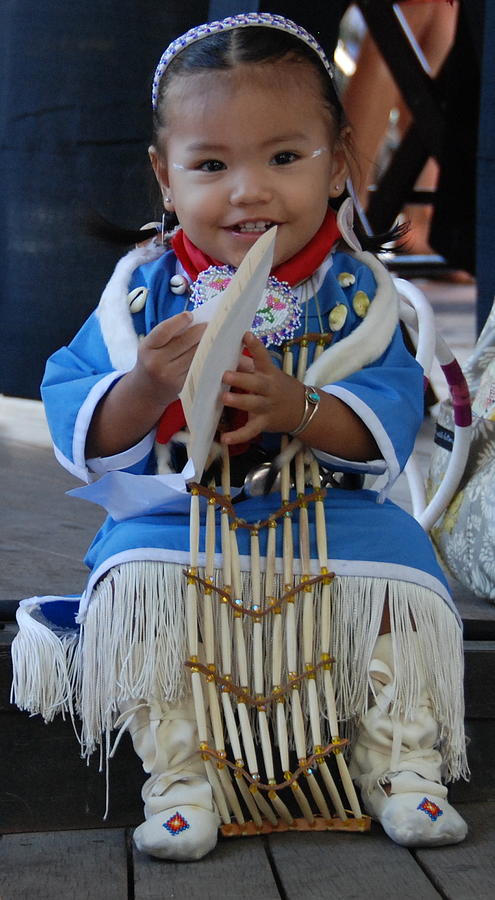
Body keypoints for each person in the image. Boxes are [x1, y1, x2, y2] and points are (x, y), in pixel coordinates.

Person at [11, 13, 468, 861]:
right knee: (135, 578)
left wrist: (299, 407)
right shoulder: (142, 294)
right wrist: (145, 385)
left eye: (283, 158)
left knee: (404, 577)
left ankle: (401, 764)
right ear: (164, 176)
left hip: (327, 509)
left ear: (336, 165)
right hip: (180, 513)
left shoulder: (356, 298)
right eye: (211, 164)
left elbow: (387, 418)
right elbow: (81, 416)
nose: (247, 190)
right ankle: (180, 777)